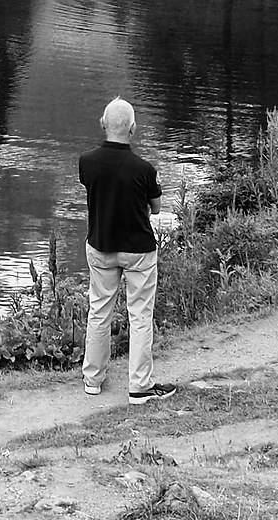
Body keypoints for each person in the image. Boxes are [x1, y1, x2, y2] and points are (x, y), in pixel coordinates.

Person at [77, 96, 177, 403]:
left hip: (101, 245)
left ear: (103, 124)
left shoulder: (86, 161)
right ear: (132, 128)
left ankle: (93, 380)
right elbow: (157, 209)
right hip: (138, 251)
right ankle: (139, 385)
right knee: (140, 315)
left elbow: (94, 191)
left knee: (99, 312)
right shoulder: (144, 170)